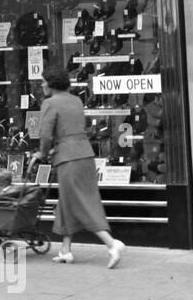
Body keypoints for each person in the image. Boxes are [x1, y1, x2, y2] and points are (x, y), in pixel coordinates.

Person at [35, 67, 126, 268]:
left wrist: (42, 152)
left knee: (79, 201)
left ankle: (112, 244)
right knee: (69, 200)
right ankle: (65, 250)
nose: (41, 85)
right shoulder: (76, 100)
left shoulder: (49, 103)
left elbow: (46, 134)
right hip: (85, 154)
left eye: (43, 82)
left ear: (51, 84)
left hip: (68, 158)